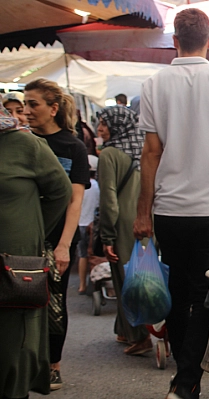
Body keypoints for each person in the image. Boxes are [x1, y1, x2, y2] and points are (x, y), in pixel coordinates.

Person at [132, 8, 209, 399]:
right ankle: (185, 383)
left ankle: (185, 383)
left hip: (168, 211)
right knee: (204, 298)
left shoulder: (154, 84)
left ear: (174, 41)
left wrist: (142, 211)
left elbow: (151, 152)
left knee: (179, 294)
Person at [0, 103, 72, 399]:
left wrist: (30, 227)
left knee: (12, 337)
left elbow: (61, 191)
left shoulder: (24, 143)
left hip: (13, 258)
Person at [23, 78, 90, 391]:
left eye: (33, 104)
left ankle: (53, 366)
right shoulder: (21, 141)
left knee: (54, 303)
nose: (26, 110)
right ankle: (23, 363)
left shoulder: (72, 147)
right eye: (25, 104)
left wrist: (64, 246)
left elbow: (75, 199)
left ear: (52, 109)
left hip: (58, 238)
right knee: (18, 299)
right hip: (23, 236)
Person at [95, 105, 152, 356]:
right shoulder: (144, 149)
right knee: (145, 276)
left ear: (118, 126)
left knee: (126, 280)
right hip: (149, 219)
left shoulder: (109, 154)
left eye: (105, 124)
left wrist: (106, 235)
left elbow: (108, 199)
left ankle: (141, 336)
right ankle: (125, 329)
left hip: (124, 224)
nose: (100, 128)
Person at [77, 155, 100, 295]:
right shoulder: (97, 186)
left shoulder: (78, 185)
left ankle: (81, 285)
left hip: (79, 223)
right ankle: (95, 282)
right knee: (93, 254)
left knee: (83, 255)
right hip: (93, 225)